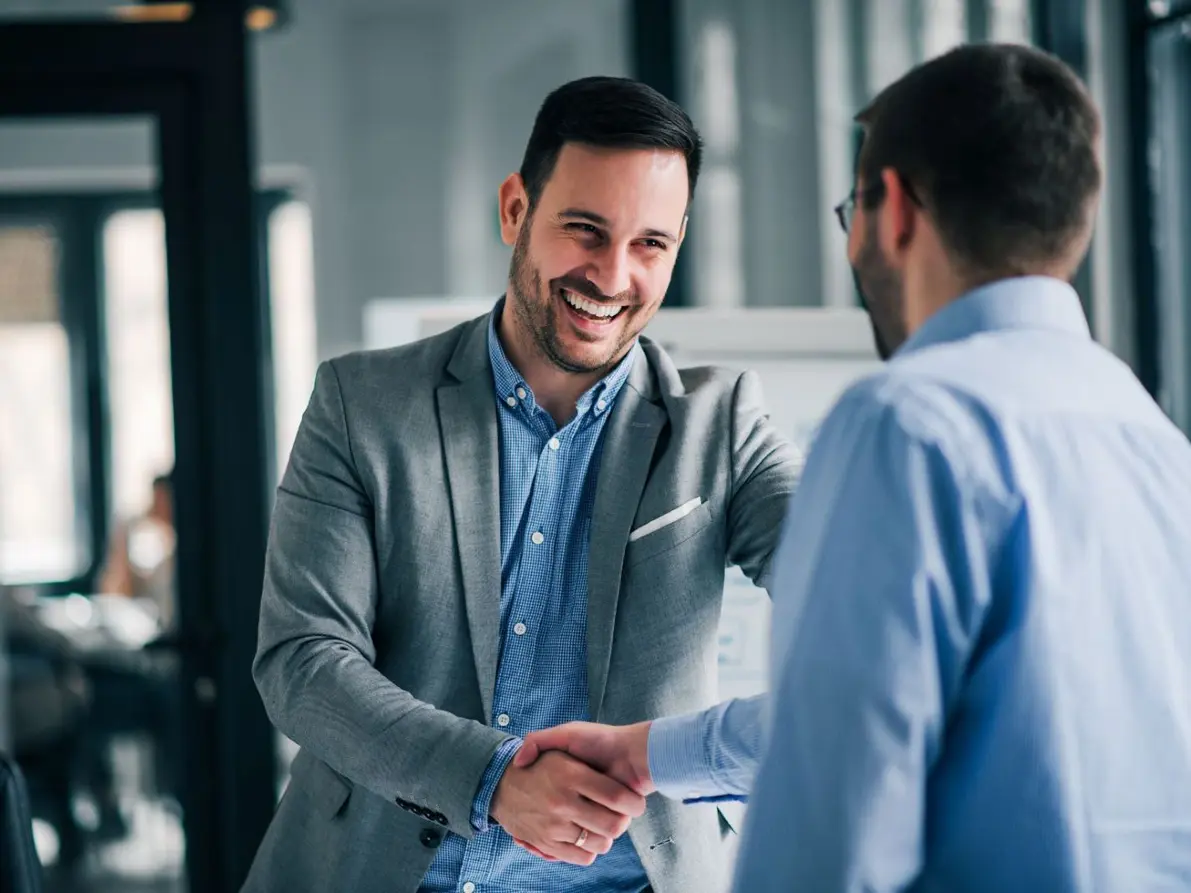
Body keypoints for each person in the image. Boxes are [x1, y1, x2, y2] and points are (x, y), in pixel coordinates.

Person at [514, 43, 1191, 892]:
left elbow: (831, 808)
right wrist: (650, 753)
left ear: (894, 210)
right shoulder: (1155, 442)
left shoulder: (907, 425)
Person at [243, 76, 801, 893]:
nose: (612, 276)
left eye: (650, 244)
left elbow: (860, 608)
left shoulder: (722, 424)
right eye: (585, 229)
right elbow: (302, 661)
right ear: (515, 210)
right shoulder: (360, 405)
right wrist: (492, 778)